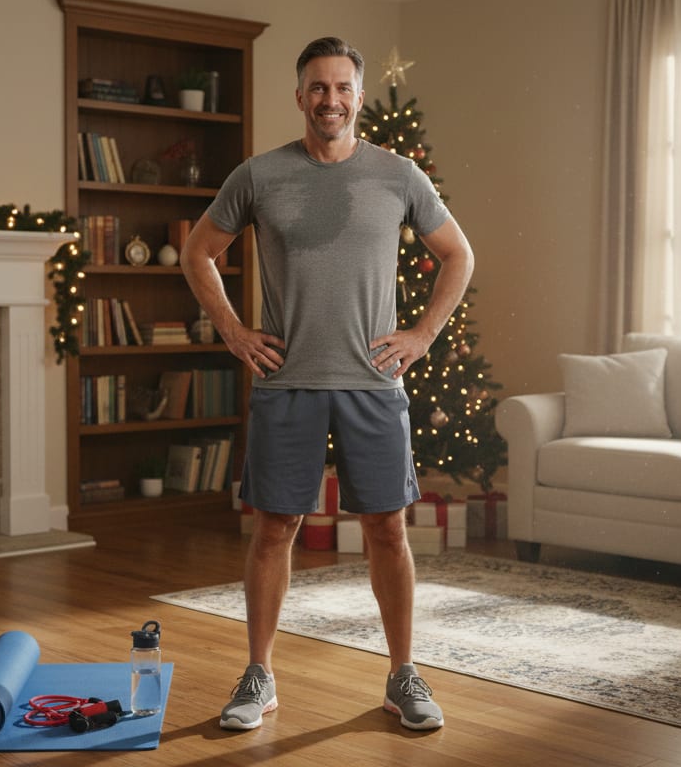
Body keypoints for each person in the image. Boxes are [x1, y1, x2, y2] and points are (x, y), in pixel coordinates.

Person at [180, 36, 475, 732]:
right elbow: (199, 253)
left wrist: (422, 335)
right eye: (318, 88)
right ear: (300, 96)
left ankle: (403, 675)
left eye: (342, 88)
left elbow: (458, 255)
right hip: (288, 383)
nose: (330, 100)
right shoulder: (258, 175)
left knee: (387, 532)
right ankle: (259, 676)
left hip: (374, 384)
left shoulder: (399, 175)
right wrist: (232, 330)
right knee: (274, 529)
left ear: (359, 96)